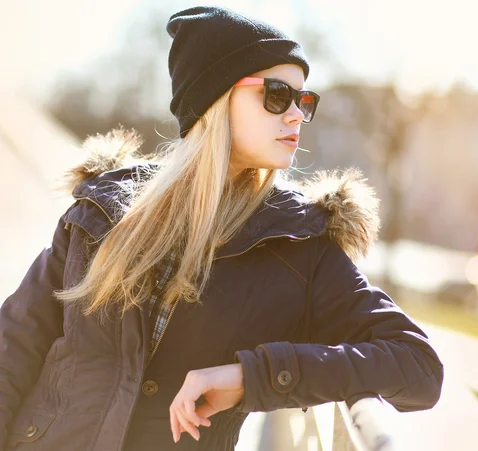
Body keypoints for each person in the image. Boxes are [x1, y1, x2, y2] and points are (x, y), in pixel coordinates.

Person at [0, 6, 444, 451]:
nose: (295, 115)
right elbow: (15, 345)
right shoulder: (101, 210)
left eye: (303, 101)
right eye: (276, 95)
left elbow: (418, 366)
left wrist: (253, 376)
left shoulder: (300, 244)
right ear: (214, 100)